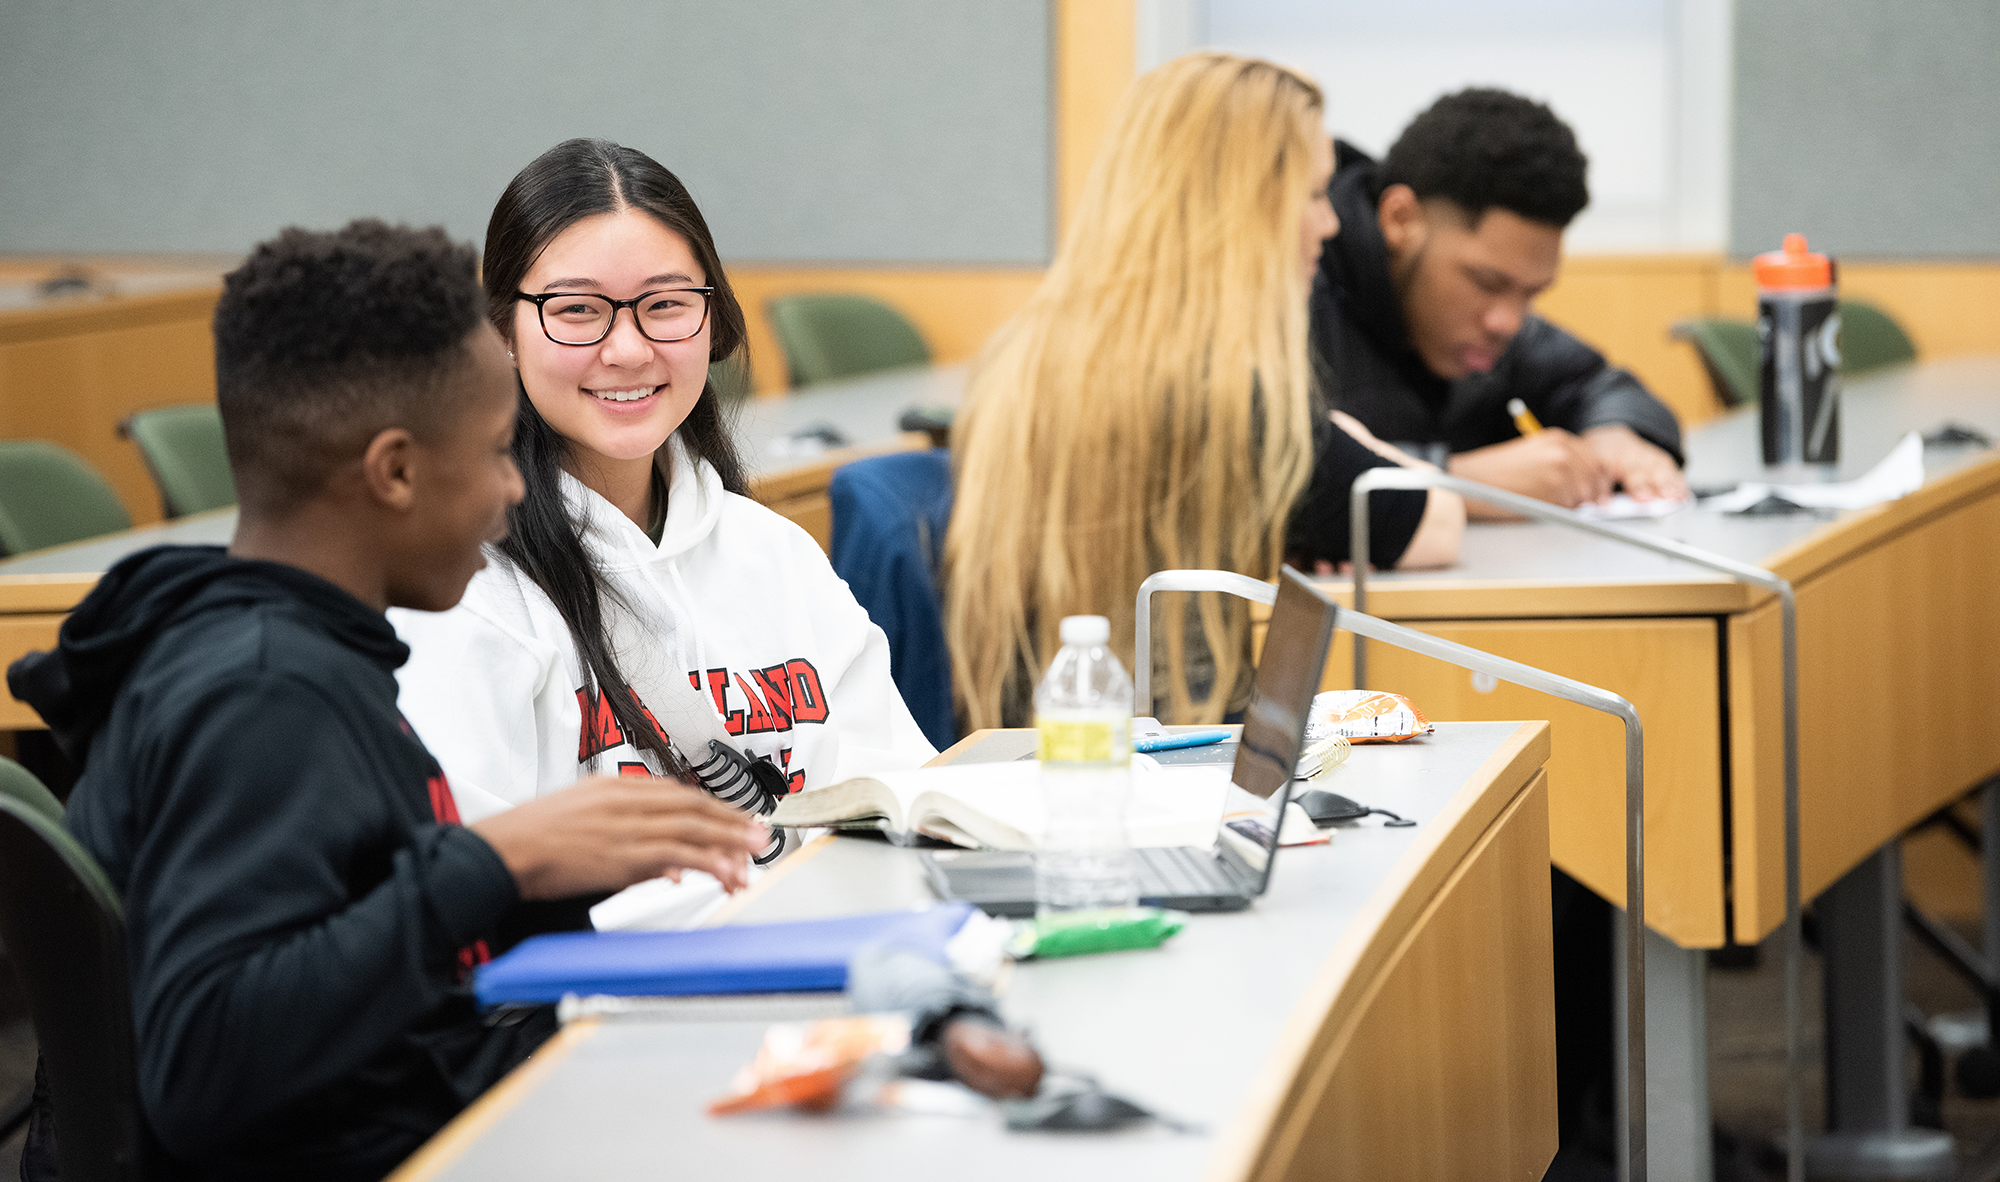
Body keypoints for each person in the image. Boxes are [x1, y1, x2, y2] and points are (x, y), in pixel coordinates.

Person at [6, 220, 768, 1179]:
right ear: (396, 471)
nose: (513, 489)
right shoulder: (261, 693)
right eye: (497, 451)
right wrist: (498, 859)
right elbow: (207, 1065)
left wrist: (562, 875)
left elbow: (358, 938)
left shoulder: (311, 657)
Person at [391, 139, 933, 889]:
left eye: (666, 305)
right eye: (577, 310)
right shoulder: (462, 597)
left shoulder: (776, 553)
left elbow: (900, 802)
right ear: (502, 331)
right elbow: (470, 892)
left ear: (713, 320)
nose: (628, 348)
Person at [945, 53, 1464, 730]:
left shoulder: (1015, 361)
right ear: (1245, 206)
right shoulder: (1234, 396)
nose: (1330, 223)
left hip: (1025, 757)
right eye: (1313, 196)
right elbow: (1435, 522)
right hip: (1184, 766)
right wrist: (1347, 436)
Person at [1312, 87, 1689, 512]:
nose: (1508, 323)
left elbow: (1597, 384)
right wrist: (1460, 482)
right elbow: (1276, 473)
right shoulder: (1297, 290)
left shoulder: (1488, 329)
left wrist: (1616, 433)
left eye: (1530, 294)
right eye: (1486, 282)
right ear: (1400, 220)